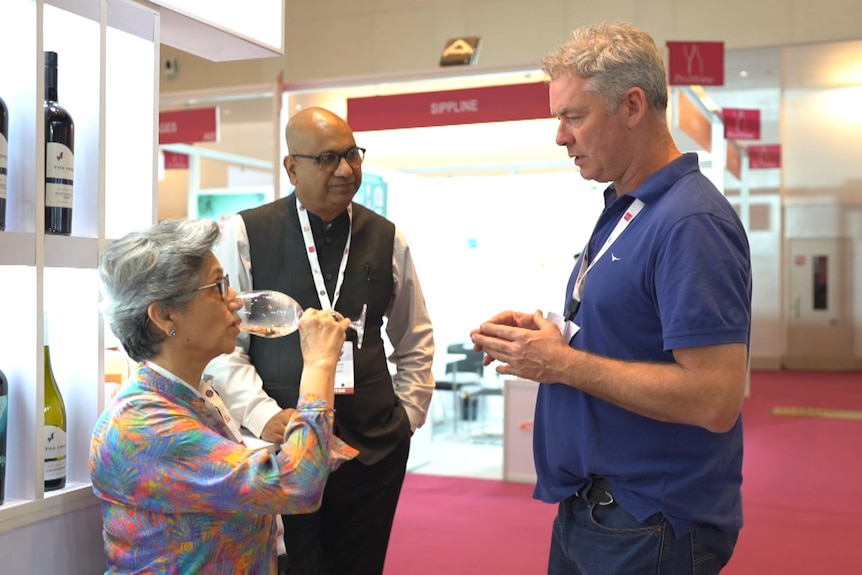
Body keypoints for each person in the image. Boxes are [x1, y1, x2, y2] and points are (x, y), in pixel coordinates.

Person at [470, 21, 752, 575]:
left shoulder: (690, 221)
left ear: (631, 106)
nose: (559, 136)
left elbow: (714, 398)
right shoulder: (628, 207)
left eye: (574, 116)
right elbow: (631, 332)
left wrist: (562, 364)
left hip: (651, 522)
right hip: (594, 509)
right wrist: (546, 336)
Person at [207, 106, 435, 575]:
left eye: (353, 155)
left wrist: (407, 417)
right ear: (293, 167)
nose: (347, 169)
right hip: (284, 447)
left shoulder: (386, 237)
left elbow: (414, 336)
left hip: (373, 448)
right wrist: (264, 416)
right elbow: (226, 346)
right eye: (328, 158)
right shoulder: (247, 233)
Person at [91, 218, 358, 574]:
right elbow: (297, 485)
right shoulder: (141, 424)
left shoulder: (194, 395)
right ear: (165, 315)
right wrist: (321, 363)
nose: (234, 299)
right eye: (218, 286)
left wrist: (305, 435)